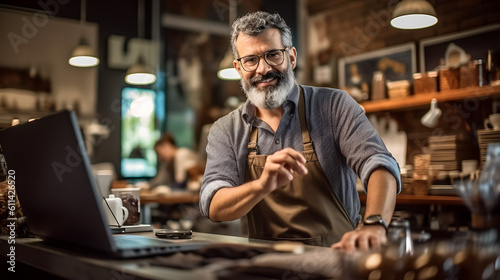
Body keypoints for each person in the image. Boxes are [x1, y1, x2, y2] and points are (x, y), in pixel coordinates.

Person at [200, 11, 400, 251]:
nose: (262, 69)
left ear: (291, 57)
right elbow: (213, 204)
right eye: (251, 60)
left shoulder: (335, 106)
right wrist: (262, 185)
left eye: (273, 55)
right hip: (266, 265)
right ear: (239, 68)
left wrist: (375, 224)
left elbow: (378, 164)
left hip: (338, 259)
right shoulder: (226, 129)